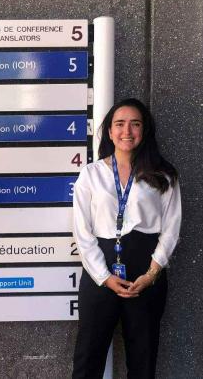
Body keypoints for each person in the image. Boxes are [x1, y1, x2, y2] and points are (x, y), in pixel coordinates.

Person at [72, 98, 181, 379]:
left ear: (144, 130)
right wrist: (104, 276)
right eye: (119, 124)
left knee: (143, 361)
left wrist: (152, 273)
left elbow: (171, 228)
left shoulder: (163, 175)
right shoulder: (91, 175)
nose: (127, 131)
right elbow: (82, 233)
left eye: (135, 124)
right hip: (101, 272)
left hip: (146, 272)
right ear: (109, 131)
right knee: (88, 359)